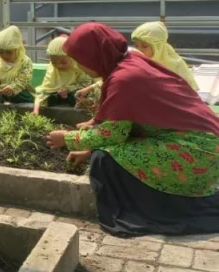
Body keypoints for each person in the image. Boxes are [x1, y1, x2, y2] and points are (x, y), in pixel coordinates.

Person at [46, 23, 219, 237]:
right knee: (104, 152)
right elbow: (125, 126)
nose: (80, 66)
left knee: (105, 159)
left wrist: (68, 138)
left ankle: (150, 211)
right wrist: (87, 150)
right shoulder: (129, 63)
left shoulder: (124, 79)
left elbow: (114, 134)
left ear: (95, 56)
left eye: (80, 60)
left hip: (196, 153)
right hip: (203, 142)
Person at [34, 35, 95, 115]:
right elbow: (44, 89)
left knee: (77, 96)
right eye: (54, 62)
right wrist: (36, 109)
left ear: (71, 57)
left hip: (74, 91)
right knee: (48, 98)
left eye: (63, 62)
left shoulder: (79, 65)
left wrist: (69, 89)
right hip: (57, 92)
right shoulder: (52, 69)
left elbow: (86, 83)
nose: (59, 66)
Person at [131, 21, 198, 90]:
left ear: (158, 47)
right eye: (136, 46)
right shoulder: (135, 63)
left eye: (144, 46)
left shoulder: (176, 67)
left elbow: (188, 93)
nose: (139, 50)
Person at [0, 25, 35, 104]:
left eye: (9, 52)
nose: (5, 56)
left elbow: (23, 79)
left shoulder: (25, 61)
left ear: (17, 49)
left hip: (19, 91)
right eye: (1, 52)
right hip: (1, 91)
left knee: (20, 96)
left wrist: (13, 87)